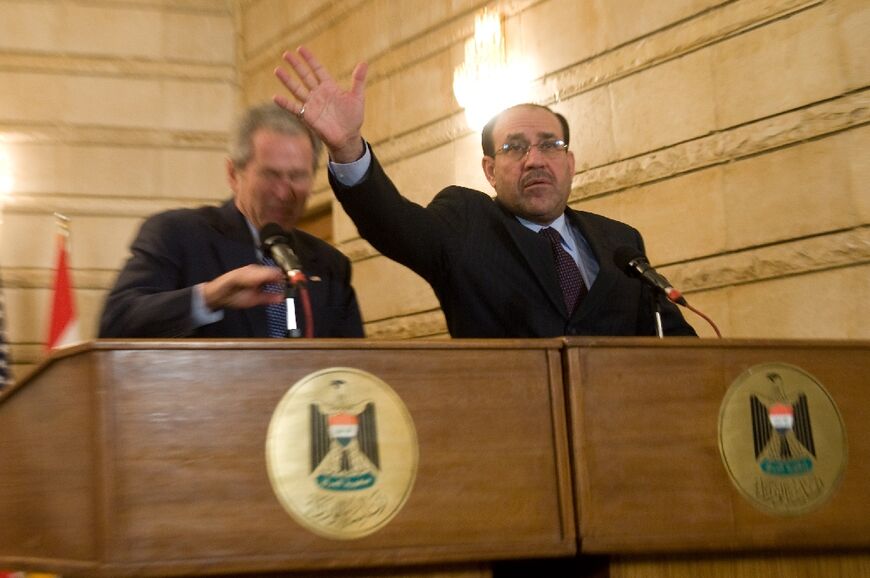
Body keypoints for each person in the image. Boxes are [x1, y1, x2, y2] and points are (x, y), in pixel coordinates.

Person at [274, 47, 695, 338]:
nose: (535, 160)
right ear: (490, 171)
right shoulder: (465, 223)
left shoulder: (621, 243)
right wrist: (348, 148)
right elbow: (392, 223)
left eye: (550, 145)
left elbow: (677, 344)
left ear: (570, 164)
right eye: (514, 148)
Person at [99, 103, 364, 338]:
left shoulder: (330, 265)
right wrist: (210, 297)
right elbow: (116, 322)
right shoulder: (178, 234)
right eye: (270, 175)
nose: (284, 192)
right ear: (233, 174)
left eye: (297, 176)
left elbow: (354, 368)